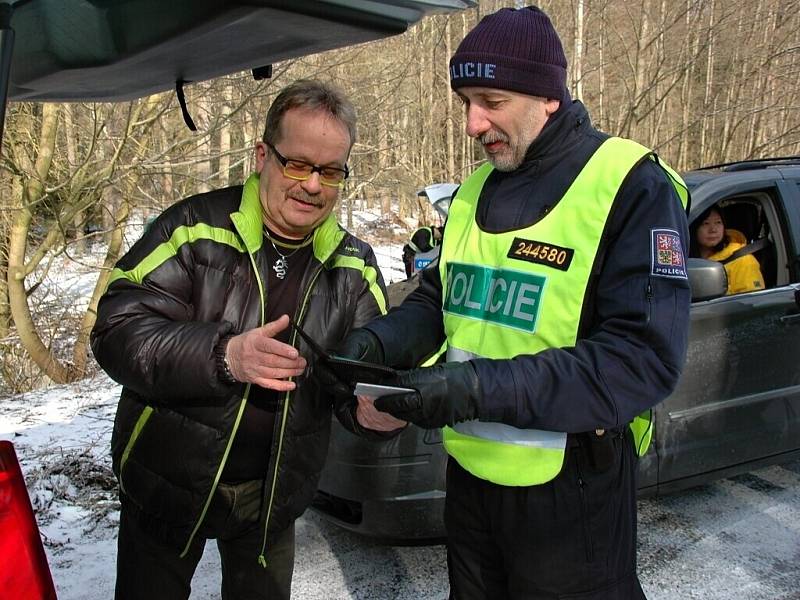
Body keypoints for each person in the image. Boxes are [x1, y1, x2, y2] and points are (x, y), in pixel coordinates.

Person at [333, 6, 691, 599]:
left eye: (491, 101)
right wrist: (376, 344)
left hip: (573, 487)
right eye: (465, 102)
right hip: (473, 479)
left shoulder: (632, 184)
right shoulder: (476, 189)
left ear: (547, 96)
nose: (473, 123)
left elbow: (641, 360)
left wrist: (466, 389)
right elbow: (441, 298)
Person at [90, 79, 399, 600]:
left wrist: (374, 413)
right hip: (167, 482)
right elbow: (117, 330)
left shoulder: (353, 265)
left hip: (272, 497)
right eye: (297, 164)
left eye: (330, 171)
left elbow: (357, 379)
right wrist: (225, 355)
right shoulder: (193, 228)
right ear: (263, 155)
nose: (312, 186)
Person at [690, 205, 764, 294]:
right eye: (706, 223)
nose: (713, 229)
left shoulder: (743, 261)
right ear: (694, 228)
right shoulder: (682, 257)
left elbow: (752, 302)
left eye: (718, 222)